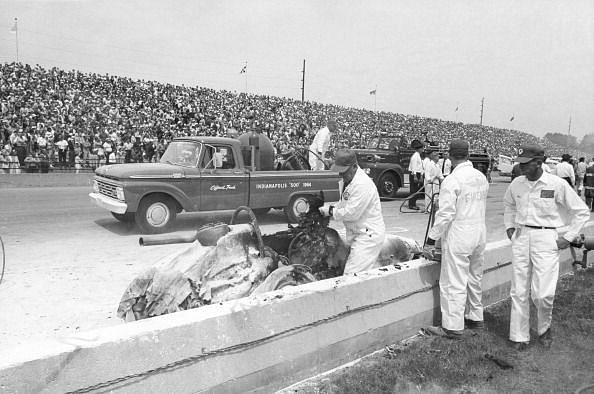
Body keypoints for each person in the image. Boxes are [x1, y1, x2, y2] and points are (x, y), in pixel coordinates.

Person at [503, 144, 589, 351]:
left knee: (542, 293)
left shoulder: (556, 184)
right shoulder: (516, 184)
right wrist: (509, 228)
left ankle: (544, 328)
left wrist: (567, 238)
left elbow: (581, 211)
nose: (521, 167)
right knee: (519, 289)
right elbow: (509, 205)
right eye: (520, 163)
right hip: (522, 236)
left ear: (539, 163)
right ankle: (519, 336)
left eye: (526, 164)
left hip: (546, 237)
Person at [423, 140, 489, 338]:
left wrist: (430, 239)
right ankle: (475, 318)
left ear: (450, 157)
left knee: (454, 281)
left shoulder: (452, 180)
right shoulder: (480, 177)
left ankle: (452, 327)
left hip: (460, 233)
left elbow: (445, 215)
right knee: (474, 277)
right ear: (467, 154)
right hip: (479, 231)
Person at [320, 149, 385, 274]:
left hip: (367, 235)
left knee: (351, 275)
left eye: (343, 172)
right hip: (355, 231)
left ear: (354, 166)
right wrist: (330, 207)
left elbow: (351, 213)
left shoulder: (362, 184)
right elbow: (343, 203)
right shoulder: (347, 181)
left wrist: (331, 211)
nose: (341, 175)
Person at [407, 139, 424, 210]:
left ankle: (413, 203)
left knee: (416, 190)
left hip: (418, 173)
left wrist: (421, 175)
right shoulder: (415, 156)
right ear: (419, 149)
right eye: (422, 148)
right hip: (415, 173)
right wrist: (414, 176)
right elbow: (414, 166)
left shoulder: (418, 156)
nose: (423, 149)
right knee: (413, 190)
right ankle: (411, 204)